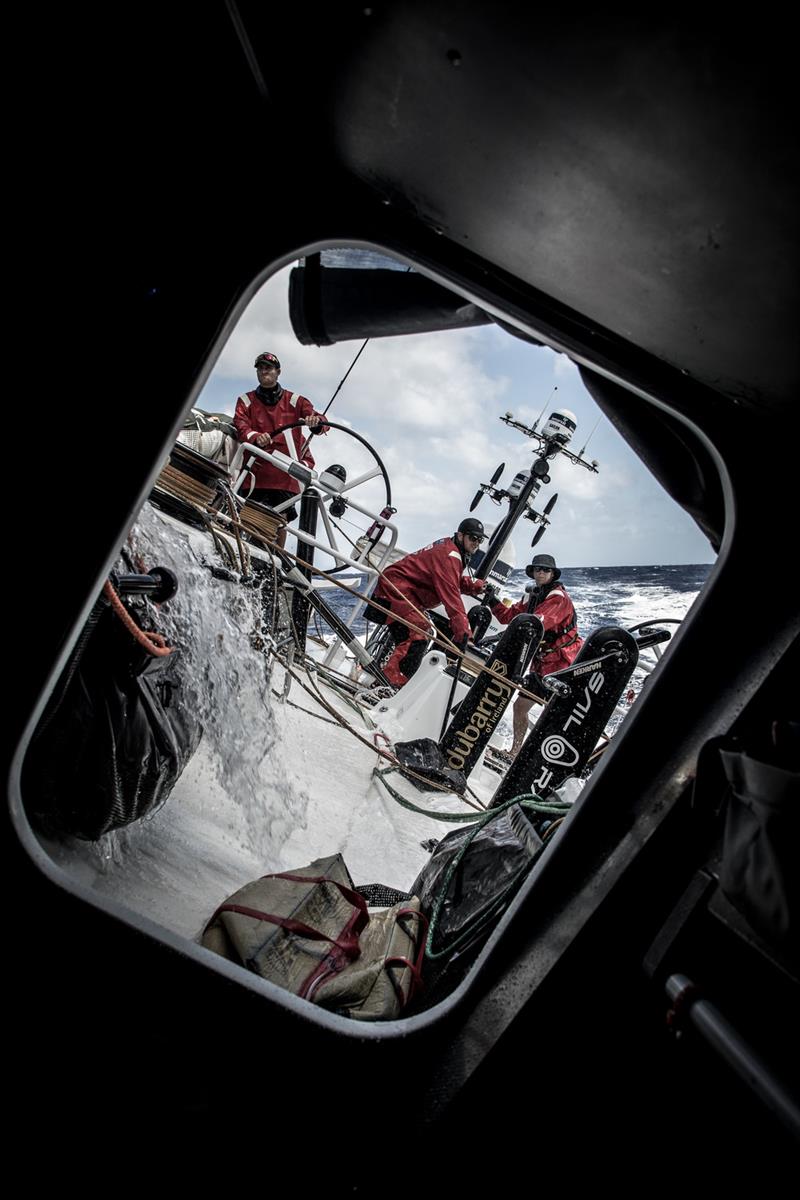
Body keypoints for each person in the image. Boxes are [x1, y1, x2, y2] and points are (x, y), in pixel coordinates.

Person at [372, 517, 488, 688]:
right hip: (396, 591)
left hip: (401, 590)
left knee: (422, 633)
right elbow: (452, 597)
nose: (476, 543)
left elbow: (447, 578)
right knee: (417, 635)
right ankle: (387, 686)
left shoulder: (451, 548)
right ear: (461, 535)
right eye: (473, 538)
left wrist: (473, 586)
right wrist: (465, 636)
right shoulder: (450, 556)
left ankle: (389, 682)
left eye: (480, 540)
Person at [489, 552, 583, 758]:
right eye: (538, 569)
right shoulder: (532, 595)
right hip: (541, 663)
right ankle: (515, 753)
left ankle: (548, 758)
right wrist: (491, 599)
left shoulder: (559, 598)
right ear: (532, 572)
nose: (541, 573)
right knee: (520, 706)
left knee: (556, 715)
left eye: (546, 570)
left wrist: (502, 636)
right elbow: (507, 617)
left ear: (552, 574)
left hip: (562, 664)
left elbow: (537, 623)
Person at [233, 352, 325, 547]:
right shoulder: (245, 401)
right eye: (261, 368)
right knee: (247, 517)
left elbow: (322, 422)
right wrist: (256, 437)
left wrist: (314, 422)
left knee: (279, 520)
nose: (264, 371)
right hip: (254, 475)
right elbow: (241, 426)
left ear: (278, 372)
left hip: (285, 478)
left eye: (268, 367)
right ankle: (241, 553)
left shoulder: (297, 401)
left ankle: (276, 560)